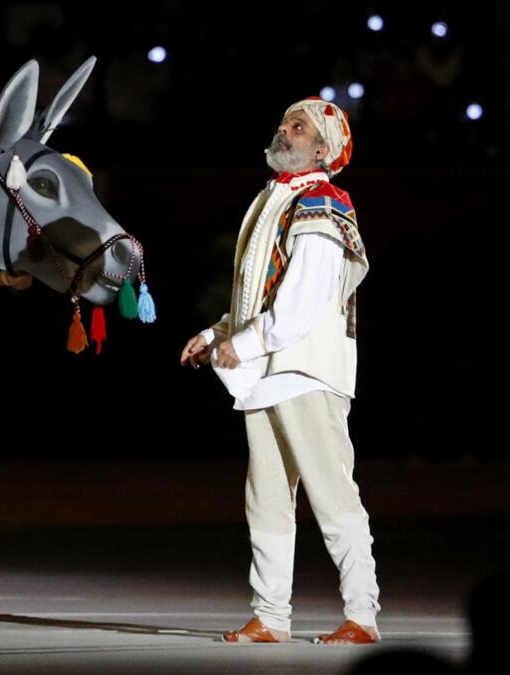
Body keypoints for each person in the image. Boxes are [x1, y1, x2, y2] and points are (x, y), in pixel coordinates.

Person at [180, 97, 379, 645]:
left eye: (299, 127)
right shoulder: (277, 197)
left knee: (330, 492)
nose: (284, 131)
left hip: (305, 369)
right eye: (285, 123)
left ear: (323, 149)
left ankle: (362, 615)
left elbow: (302, 301)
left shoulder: (322, 202)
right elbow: (259, 294)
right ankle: (271, 615)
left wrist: (243, 343)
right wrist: (218, 334)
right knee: (266, 497)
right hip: (271, 369)